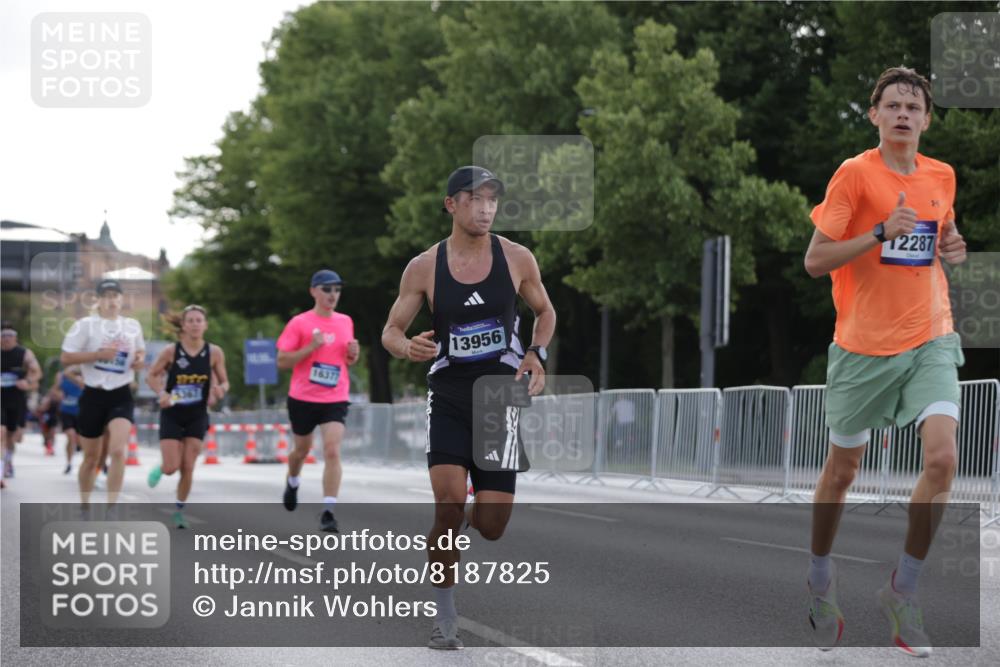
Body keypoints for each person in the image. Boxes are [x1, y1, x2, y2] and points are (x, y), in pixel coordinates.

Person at [803, 67, 967, 657]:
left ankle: (904, 589)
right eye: (892, 104)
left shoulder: (941, 176)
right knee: (842, 471)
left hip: (930, 336)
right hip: (862, 348)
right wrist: (877, 231)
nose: (903, 113)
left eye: (913, 106)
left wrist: (952, 244)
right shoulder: (855, 174)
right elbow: (815, 260)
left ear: (926, 119)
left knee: (944, 459)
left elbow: (940, 235)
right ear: (874, 115)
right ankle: (821, 576)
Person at [381, 165, 556, 649]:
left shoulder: (517, 257)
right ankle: (445, 617)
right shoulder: (423, 267)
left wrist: (535, 353)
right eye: (474, 198)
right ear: (451, 205)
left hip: (500, 399)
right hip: (452, 396)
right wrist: (405, 346)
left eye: (491, 200)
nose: (485, 208)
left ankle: (468, 515)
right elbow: (390, 330)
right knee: (449, 503)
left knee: (494, 527)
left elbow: (545, 311)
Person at [277, 269, 360, 533]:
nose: (332, 294)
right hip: (303, 398)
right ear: (313, 291)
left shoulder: (346, 321)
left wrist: (353, 355)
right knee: (301, 450)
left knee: (332, 450)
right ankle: (292, 481)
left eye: (337, 289)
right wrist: (310, 348)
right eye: (326, 289)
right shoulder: (299, 323)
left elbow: (346, 361)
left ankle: (328, 511)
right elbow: (282, 361)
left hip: (335, 397)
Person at [60, 279, 146, 508]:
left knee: (118, 450)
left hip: (121, 394)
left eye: (116, 295)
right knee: (91, 458)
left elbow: (140, 352)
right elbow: (66, 358)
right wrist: (98, 355)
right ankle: (85, 503)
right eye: (106, 295)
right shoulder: (85, 325)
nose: (112, 300)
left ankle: (111, 507)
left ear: (121, 299)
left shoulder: (132, 326)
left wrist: (139, 360)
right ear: (98, 300)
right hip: (93, 395)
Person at [146, 305, 229, 528]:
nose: (194, 324)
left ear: (205, 325)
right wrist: (161, 393)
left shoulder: (214, 352)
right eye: (190, 320)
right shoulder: (171, 352)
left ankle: (179, 511)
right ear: (183, 325)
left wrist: (220, 390)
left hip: (197, 414)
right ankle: (162, 467)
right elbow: (151, 376)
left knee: (188, 467)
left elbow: (224, 381)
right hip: (172, 414)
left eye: (198, 320)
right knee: (172, 467)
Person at [1, 322, 42, 479]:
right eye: (3, 336)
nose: (6, 339)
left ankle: (8, 460)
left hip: (16, 399)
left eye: (9, 336)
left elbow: (36, 372)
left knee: (12, 435)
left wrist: (28, 382)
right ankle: (1, 470)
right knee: (1, 432)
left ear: (15, 338)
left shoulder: (24, 353)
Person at [54, 366, 85, 474]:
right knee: (71, 436)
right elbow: (55, 390)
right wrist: (59, 395)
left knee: (81, 440)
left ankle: (92, 462)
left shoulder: (84, 378)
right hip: (66, 411)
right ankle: (69, 463)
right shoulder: (62, 378)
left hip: (81, 413)